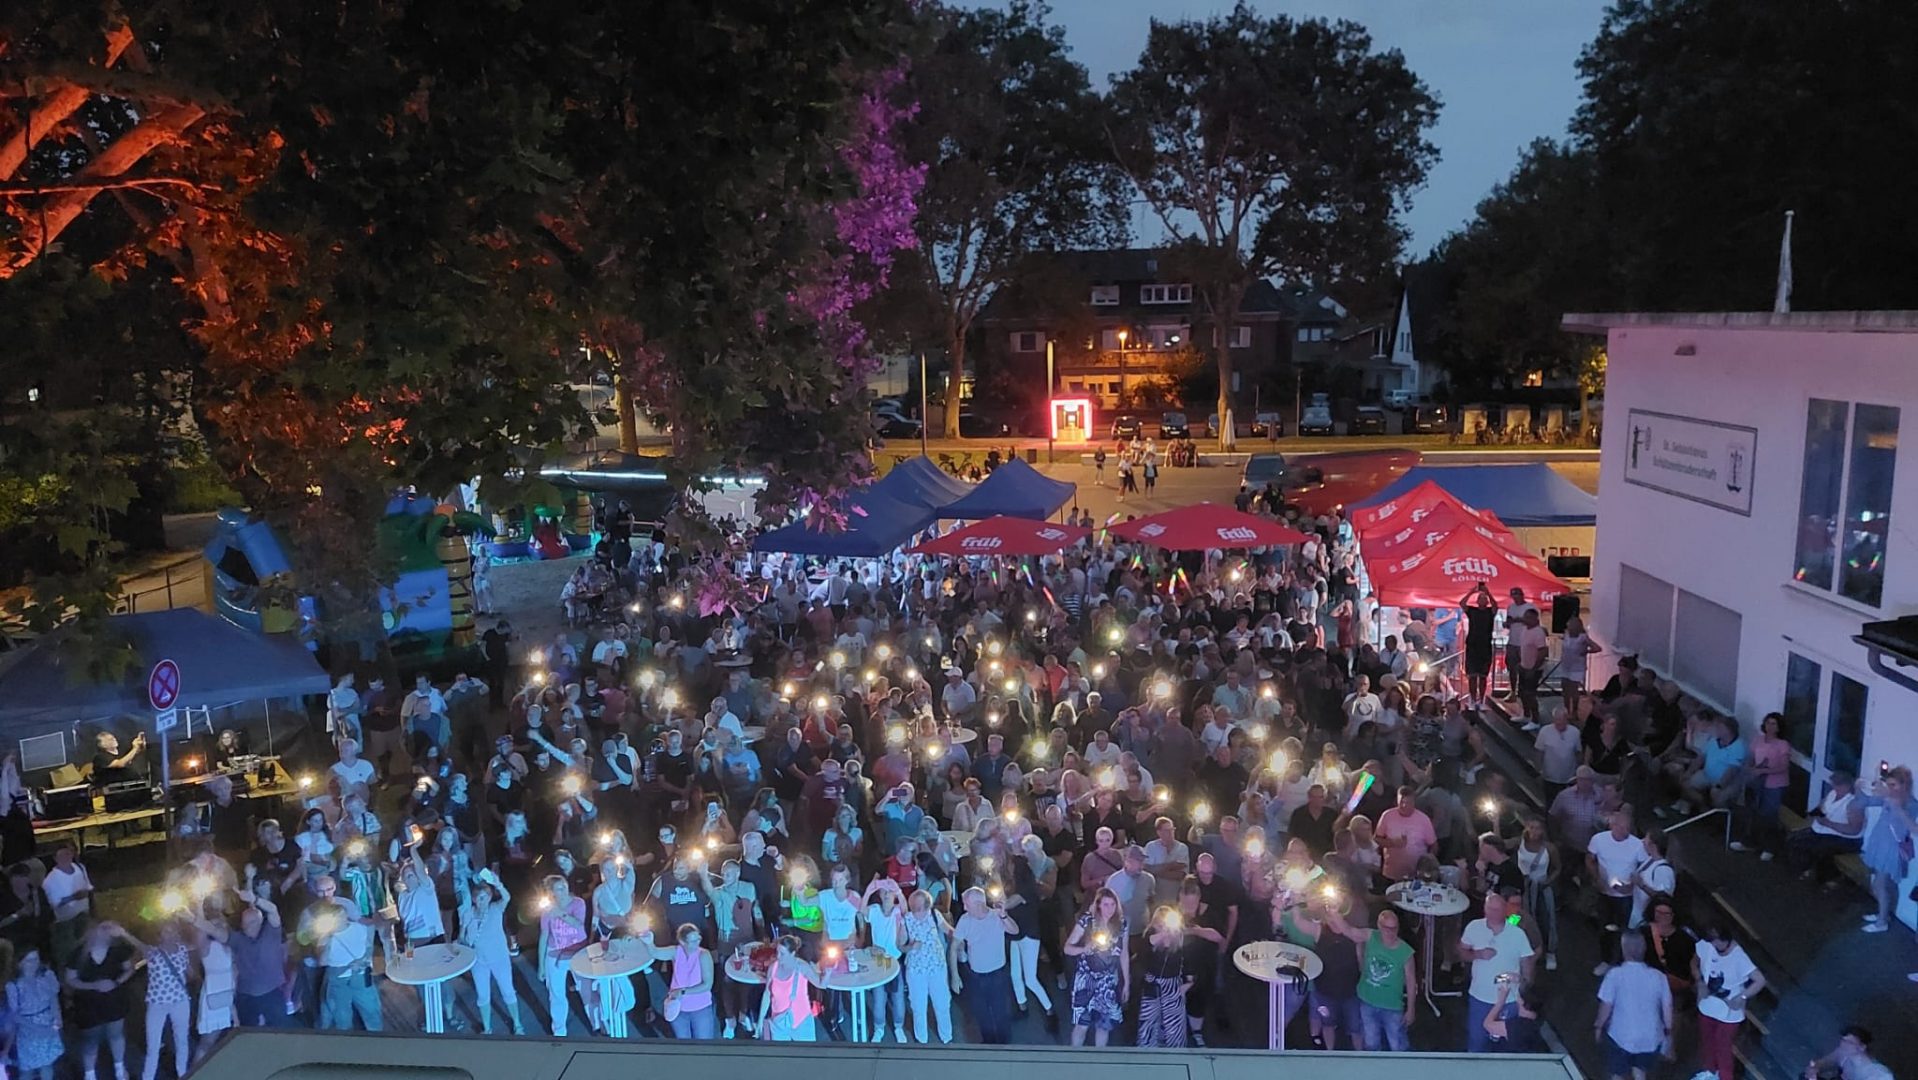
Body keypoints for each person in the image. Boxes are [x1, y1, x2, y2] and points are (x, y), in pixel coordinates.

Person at [1459, 890, 1535, 1054]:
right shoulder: (1473, 927)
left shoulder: (1517, 934)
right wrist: (1478, 954)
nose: (1493, 913)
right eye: (1490, 909)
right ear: (1484, 909)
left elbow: (1527, 962)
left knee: (1507, 1045)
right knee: (1477, 1041)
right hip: (1479, 997)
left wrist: (1523, 985)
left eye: (1497, 910)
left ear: (1505, 910)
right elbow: (1462, 952)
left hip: (1509, 1000)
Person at [302, 875, 382, 1032]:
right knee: (336, 1013)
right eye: (321, 891)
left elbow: (364, 931)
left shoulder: (347, 906)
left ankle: (378, 1038)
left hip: (359, 973)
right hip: (334, 973)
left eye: (329, 889)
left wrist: (366, 958)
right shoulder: (309, 912)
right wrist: (320, 936)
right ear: (314, 891)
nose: (326, 894)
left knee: (371, 1009)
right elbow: (304, 941)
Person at [1593, 932, 1673, 1080]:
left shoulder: (1615, 975)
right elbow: (1667, 1007)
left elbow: (1606, 1006)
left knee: (1617, 1074)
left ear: (1624, 949)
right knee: (1640, 1072)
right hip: (1651, 1036)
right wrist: (1668, 1033)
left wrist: (1599, 1026)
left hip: (1620, 1035)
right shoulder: (1659, 977)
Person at [66, 920, 139, 1080]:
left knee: (116, 1034)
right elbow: (70, 979)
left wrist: (116, 982)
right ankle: (90, 1074)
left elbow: (130, 968)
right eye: (101, 930)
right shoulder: (77, 954)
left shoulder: (118, 951)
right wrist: (93, 985)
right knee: (91, 1040)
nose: (104, 933)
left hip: (114, 999)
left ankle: (120, 1069)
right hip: (88, 1004)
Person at [1692, 923, 1765, 1080]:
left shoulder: (1739, 957)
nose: (1711, 944)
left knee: (1723, 1047)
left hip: (1728, 1013)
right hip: (1707, 1005)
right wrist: (1699, 981)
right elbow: (1694, 963)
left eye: (1714, 940)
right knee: (1707, 1042)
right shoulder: (1706, 945)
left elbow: (1759, 980)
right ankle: (1709, 1072)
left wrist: (1742, 996)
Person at [951, 885, 1018, 1044]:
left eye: (966, 904)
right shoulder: (965, 920)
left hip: (998, 975)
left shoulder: (996, 916)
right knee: (981, 1013)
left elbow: (1015, 930)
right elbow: (954, 948)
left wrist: (1004, 916)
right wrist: (955, 975)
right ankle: (988, 1043)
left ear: (978, 904)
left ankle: (1004, 1045)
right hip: (976, 977)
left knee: (1000, 1012)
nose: (964, 907)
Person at [462, 868, 525, 1036]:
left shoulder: (496, 909)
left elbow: (507, 897)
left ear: (490, 897)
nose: (481, 901)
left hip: (499, 958)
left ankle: (518, 1024)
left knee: (508, 991)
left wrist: (498, 884)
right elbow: (463, 937)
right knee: (482, 996)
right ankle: (487, 1028)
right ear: (474, 899)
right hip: (478, 961)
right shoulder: (469, 914)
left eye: (485, 897)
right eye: (478, 898)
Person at [1064, 886, 1129, 1046]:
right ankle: (1075, 1059)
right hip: (1086, 980)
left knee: (1104, 1026)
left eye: (1113, 905)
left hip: (1107, 982)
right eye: (1106, 905)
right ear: (1098, 905)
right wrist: (1084, 948)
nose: (1110, 909)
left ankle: (1100, 1059)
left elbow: (1124, 954)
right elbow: (1067, 948)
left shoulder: (1122, 924)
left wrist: (1127, 982)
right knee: (1082, 1025)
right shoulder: (1087, 921)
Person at [1857, 765, 1917, 936]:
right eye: (1888, 784)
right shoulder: (1889, 797)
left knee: (1879, 884)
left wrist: (1897, 807)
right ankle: (1882, 914)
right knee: (1881, 883)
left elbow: (1914, 829)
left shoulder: (1911, 804)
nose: (1890, 789)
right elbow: (1866, 802)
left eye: (1894, 785)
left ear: (1904, 785)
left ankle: (1882, 921)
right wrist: (1859, 788)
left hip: (1890, 848)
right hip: (1880, 843)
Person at [139, 919, 194, 1080]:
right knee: (153, 1046)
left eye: (172, 931)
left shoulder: (183, 949)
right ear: (160, 935)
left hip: (180, 1000)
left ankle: (182, 1073)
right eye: (165, 931)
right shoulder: (153, 952)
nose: (169, 934)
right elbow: (139, 946)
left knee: (182, 1040)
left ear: (177, 933)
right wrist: (123, 933)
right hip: (157, 1004)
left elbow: (188, 972)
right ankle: (148, 1077)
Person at [901, 888, 956, 1044]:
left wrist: (961, 937)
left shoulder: (934, 915)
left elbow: (948, 930)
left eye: (922, 905)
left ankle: (947, 1037)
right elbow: (900, 945)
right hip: (916, 969)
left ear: (927, 904)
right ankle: (922, 1039)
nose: (919, 908)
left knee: (942, 1003)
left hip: (937, 966)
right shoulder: (906, 919)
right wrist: (911, 947)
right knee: (918, 1006)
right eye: (916, 905)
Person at [228, 891, 288, 1029]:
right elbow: (214, 931)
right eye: (245, 923)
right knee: (248, 1033)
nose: (248, 926)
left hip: (272, 992)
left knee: (279, 1030)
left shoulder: (271, 932)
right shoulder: (238, 939)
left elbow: (273, 909)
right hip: (246, 995)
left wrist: (255, 899)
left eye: (252, 922)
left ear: (260, 921)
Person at [6, 944, 64, 1080]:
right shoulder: (13, 985)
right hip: (29, 1030)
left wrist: (58, 1019)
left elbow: (53, 998)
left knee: (47, 1064)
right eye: (29, 960)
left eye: (36, 959)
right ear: (19, 963)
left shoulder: (46, 976)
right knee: (28, 1069)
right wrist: (38, 1029)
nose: (34, 964)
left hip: (48, 1023)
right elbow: (15, 1015)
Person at [1136, 907, 1190, 1048]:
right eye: (1160, 924)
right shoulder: (1149, 937)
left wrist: (1187, 985)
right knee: (1148, 1024)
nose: (1163, 926)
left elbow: (1190, 964)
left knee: (1174, 1027)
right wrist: (1160, 936)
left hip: (1172, 986)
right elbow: (1141, 954)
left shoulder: (1181, 938)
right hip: (1152, 985)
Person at [42, 840, 96, 964]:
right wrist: (73, 897)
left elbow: (88, 888)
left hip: (84, 915)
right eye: (61, 855)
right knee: (70, 954)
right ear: (55, 858)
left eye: (67, 854)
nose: (65, 858)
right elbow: (54, 904)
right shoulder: (51, 880)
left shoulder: (80, 868)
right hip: (65, 922)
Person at [757, 935, 819, 1042]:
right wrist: (760, 1020)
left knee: (807, 1056)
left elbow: (820, 983)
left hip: (801, 1021)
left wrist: (828, 972)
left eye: (782, 954)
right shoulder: (773, 968)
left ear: (793, 954)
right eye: (777, 952)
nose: (778, 956)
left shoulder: (802, 967)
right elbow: (767, 994)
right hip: (778, 1022)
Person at [666, 922, 718, 1040]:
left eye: (698, 938)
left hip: (701, 1008)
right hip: (678, 1007)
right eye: (693, 941)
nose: (698, 942)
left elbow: (707, 985)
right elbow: (655, 952)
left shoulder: (704, 954)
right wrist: (649, 942)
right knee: (684, 1044)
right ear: (683, 942)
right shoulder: (676, 951)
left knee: (704, 1045)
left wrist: (683, 991)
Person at [1805, 1025, 1894, 1080]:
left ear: (1862, 1047)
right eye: (1843, 1041)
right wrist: (1814, 1068)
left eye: (1850, 1043)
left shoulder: (1877, 1073)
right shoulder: (1842, 1054)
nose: (1844, 1046)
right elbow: (1825, 1062)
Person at [1460, 584, 1499, 706]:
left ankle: (1481, 699)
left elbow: (1495, 606)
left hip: (1485, 646)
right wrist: (1471, 592)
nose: (1483, 600)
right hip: (1472, 645)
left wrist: (1488, 592)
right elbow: (1462, 603)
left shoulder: (1490, 612)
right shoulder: (1472, 611)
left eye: (1484, 598)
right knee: (1472, 675)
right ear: (1477, 601)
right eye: (1480, 598)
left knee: (1483, 675)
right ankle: (1472, 698)